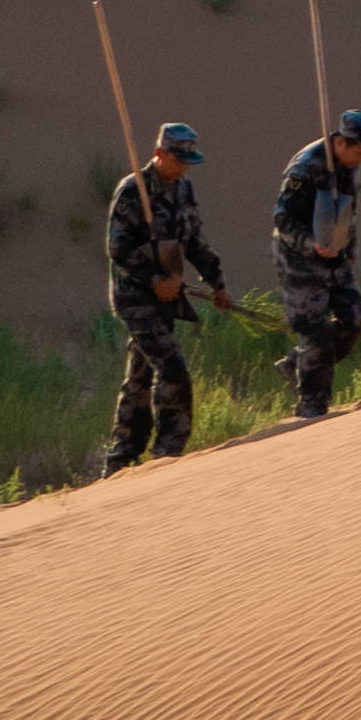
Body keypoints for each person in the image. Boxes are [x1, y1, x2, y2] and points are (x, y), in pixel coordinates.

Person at [99, 121, 227, 473]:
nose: (184, 166)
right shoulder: (132, 190)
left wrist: (217, 283)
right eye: (179, 159)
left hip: (167, 298)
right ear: (159, 154)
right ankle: (168, 452)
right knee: (172, 367)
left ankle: (121, 456)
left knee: (139, 378)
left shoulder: (183, 189)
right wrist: (153, 277)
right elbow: (118, 248)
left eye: (189, 160)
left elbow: (194, 241)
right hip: (136, 298)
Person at [268, 107, 361, 420]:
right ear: (339, 143)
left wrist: (349, 249)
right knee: (315, 330)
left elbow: (348, 211)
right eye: (358, 150)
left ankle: (296, 363)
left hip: (335, 252)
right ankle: (312, 407)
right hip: (299, 258)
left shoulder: (347, 165)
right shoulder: (305, 169)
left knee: (356, 321)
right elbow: (283, 218)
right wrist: (310, 244)